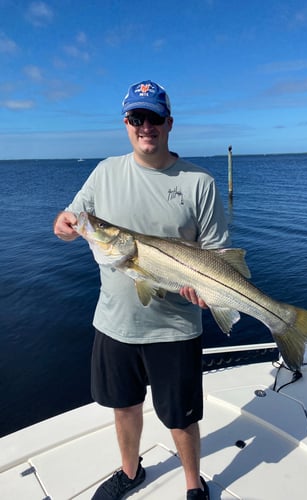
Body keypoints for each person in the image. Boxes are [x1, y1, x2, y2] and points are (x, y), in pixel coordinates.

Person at [53, 80, 230, 500]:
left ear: (169, 123)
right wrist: (63, 223)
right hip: (114, 324)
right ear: (126, 123)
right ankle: (131, 473)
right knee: (124, 407)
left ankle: (193, 485)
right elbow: (75, 219)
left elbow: (218, 254)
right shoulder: (105, 172)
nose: (145, 126)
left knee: (181, 418)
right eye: (137, 118)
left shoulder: (199, 182)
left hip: (175, 330)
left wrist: (210, 292)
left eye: (153, 117)